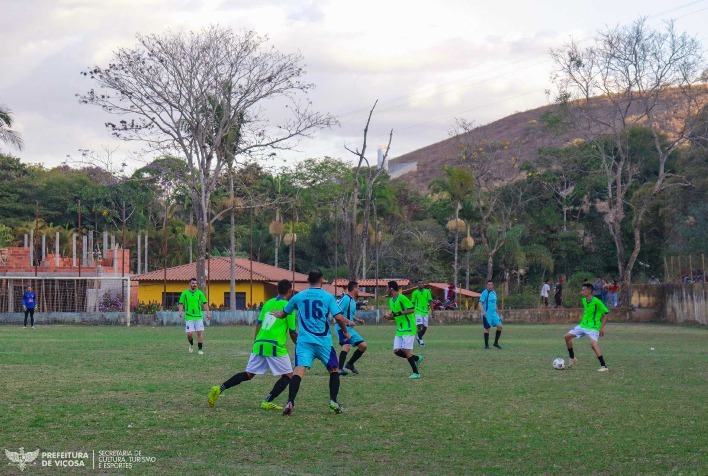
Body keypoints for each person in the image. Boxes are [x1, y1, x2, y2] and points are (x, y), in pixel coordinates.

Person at [208, 279, 297, 411]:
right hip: (274, 345)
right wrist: (299, 345)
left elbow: (259, 323)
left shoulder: (268, 303)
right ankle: (267, 401)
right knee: (289, 376)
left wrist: (256, 341)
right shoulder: (288, 306)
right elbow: (292, 331)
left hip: (259, 343)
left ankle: (219, 388)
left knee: (248, 374)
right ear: (290, 291)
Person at [272, 269, 350, 416]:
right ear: (322, 280)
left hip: (304, 341)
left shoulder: (298, 297)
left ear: (308, 280)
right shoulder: (328, 297)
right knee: (334, 370)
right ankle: (333, 401)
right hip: (324, 342)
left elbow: (283, 314)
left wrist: (278, 314)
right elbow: (339, 318)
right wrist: (345, 332)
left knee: (298, 372)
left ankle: (290, 402)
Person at [564, 283, 610, 371]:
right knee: (567, 337)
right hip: (583, 325)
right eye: (582, 290)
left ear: (589, 291)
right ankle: (572, 359)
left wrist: (602, 328)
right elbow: (587, 311)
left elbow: (606, 313)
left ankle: (604, 366)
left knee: (593, 345)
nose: (582, 292)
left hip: (593, 327)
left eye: (584, 290)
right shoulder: (584, 300)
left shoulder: (597, 302)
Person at [382, 281, 423, 379]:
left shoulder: (402, 298)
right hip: (400, 329)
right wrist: (389, 317)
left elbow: (412, 309)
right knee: (396, 351)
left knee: (405, 350)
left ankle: (416, 373)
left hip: (409, 327)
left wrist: (398, 314)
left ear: (391, 288)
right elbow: (395, 315)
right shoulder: (391, 301)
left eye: (387, 288)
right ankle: (417, 358)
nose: (386, 290)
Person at [336, 280, 368, 376]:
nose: (359, 290)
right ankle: (339, 369)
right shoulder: (345, 298)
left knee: (363, 346)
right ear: (354, 288)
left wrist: (357, 320)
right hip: (341, 327)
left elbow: (348, 314)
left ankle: (350, 364)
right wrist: (348, 321)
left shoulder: (352, 300)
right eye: (358, 288)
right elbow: (337, 312)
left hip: (349, 328)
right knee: (346, 346)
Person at [178, 278, 210, 355]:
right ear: (190, 284)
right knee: (189, 334)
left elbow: (205, 303)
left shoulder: (200, 293)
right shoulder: (184, 293)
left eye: (195, 283)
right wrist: (180, 311)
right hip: (189, 316)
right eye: (193, 283)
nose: (194, 285)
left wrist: (208, 313)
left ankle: (200, 349)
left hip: (198, 316)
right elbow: (181, 303)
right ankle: (191, 344)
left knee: (199, 333)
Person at [479, 279, 503, 349]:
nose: (490, 286)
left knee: (500, 326)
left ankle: (496, 343)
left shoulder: (494, 293)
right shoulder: (484, 293)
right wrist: (483, 312)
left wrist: (498, 313)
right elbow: (480, 303)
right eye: (488, 285)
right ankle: (486, 346)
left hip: (494, 313)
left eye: (491, 285)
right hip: (487, 314)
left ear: (493, 285)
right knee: (487, 328)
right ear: (487, 285)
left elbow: (495, 304)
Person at [410, 280, 434, 347]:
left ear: (424, 284)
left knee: (425, 327)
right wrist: (411, 311)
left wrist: (432, 311)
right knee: (419, 325)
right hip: (418, 311)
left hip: (425, 311)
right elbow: (412, 303)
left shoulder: (427, 292)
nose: (420, 284)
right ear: (417, 284)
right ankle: (421, 341)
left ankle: (418, 337)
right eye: (419, 283)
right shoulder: (414, 293)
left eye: (422, 283)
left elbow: (430, 301)